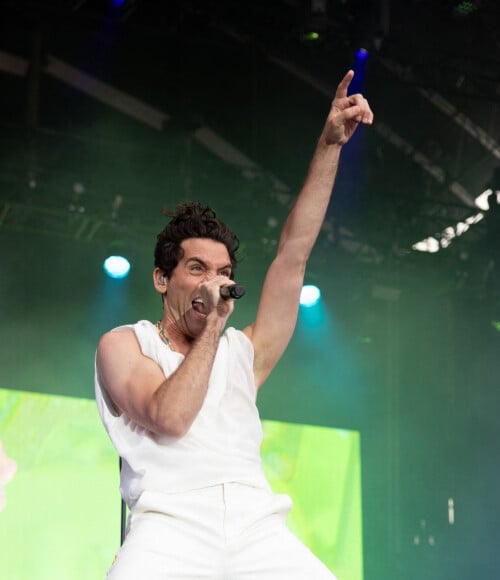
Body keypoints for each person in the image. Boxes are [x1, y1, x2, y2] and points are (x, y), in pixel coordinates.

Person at [95, 70, 373, 579]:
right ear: (162, 278)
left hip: (256, 526)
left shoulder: (244, 353)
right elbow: (171, 416)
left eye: (223, 272)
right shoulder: (124, 344)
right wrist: (215, 328)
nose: (214, 282)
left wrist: (330, 145)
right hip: (169, 525)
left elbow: (293, 253)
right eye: (197, 268)